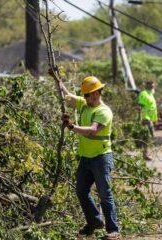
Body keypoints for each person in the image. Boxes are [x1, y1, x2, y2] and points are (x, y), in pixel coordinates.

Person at [60, 76, 120, 240]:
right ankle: (94, 221)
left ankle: (113, 230)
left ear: (96, 94)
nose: (85, 98)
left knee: (104, 194)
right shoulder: (85, 104)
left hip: (101, 158)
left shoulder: (103, 111)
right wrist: (56, 77)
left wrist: (72, 127)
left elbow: (92, 130)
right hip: (85, 158)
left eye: (87, 95)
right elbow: (66, 96)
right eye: (84, 95)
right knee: (81, 191)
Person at [137, 80, 158, 160]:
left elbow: (153, 107)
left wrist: (155, 119)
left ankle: (145, 154)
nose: (152, 87)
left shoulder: (151, 94)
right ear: (146, 85)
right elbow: (140, 107)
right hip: (145, 119)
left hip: (150, 119)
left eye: (153, 85)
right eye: (150, 85)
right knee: (146, 137)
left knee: (149, 137)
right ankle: (145, 154)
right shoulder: (143, 93)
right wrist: (140, 118)